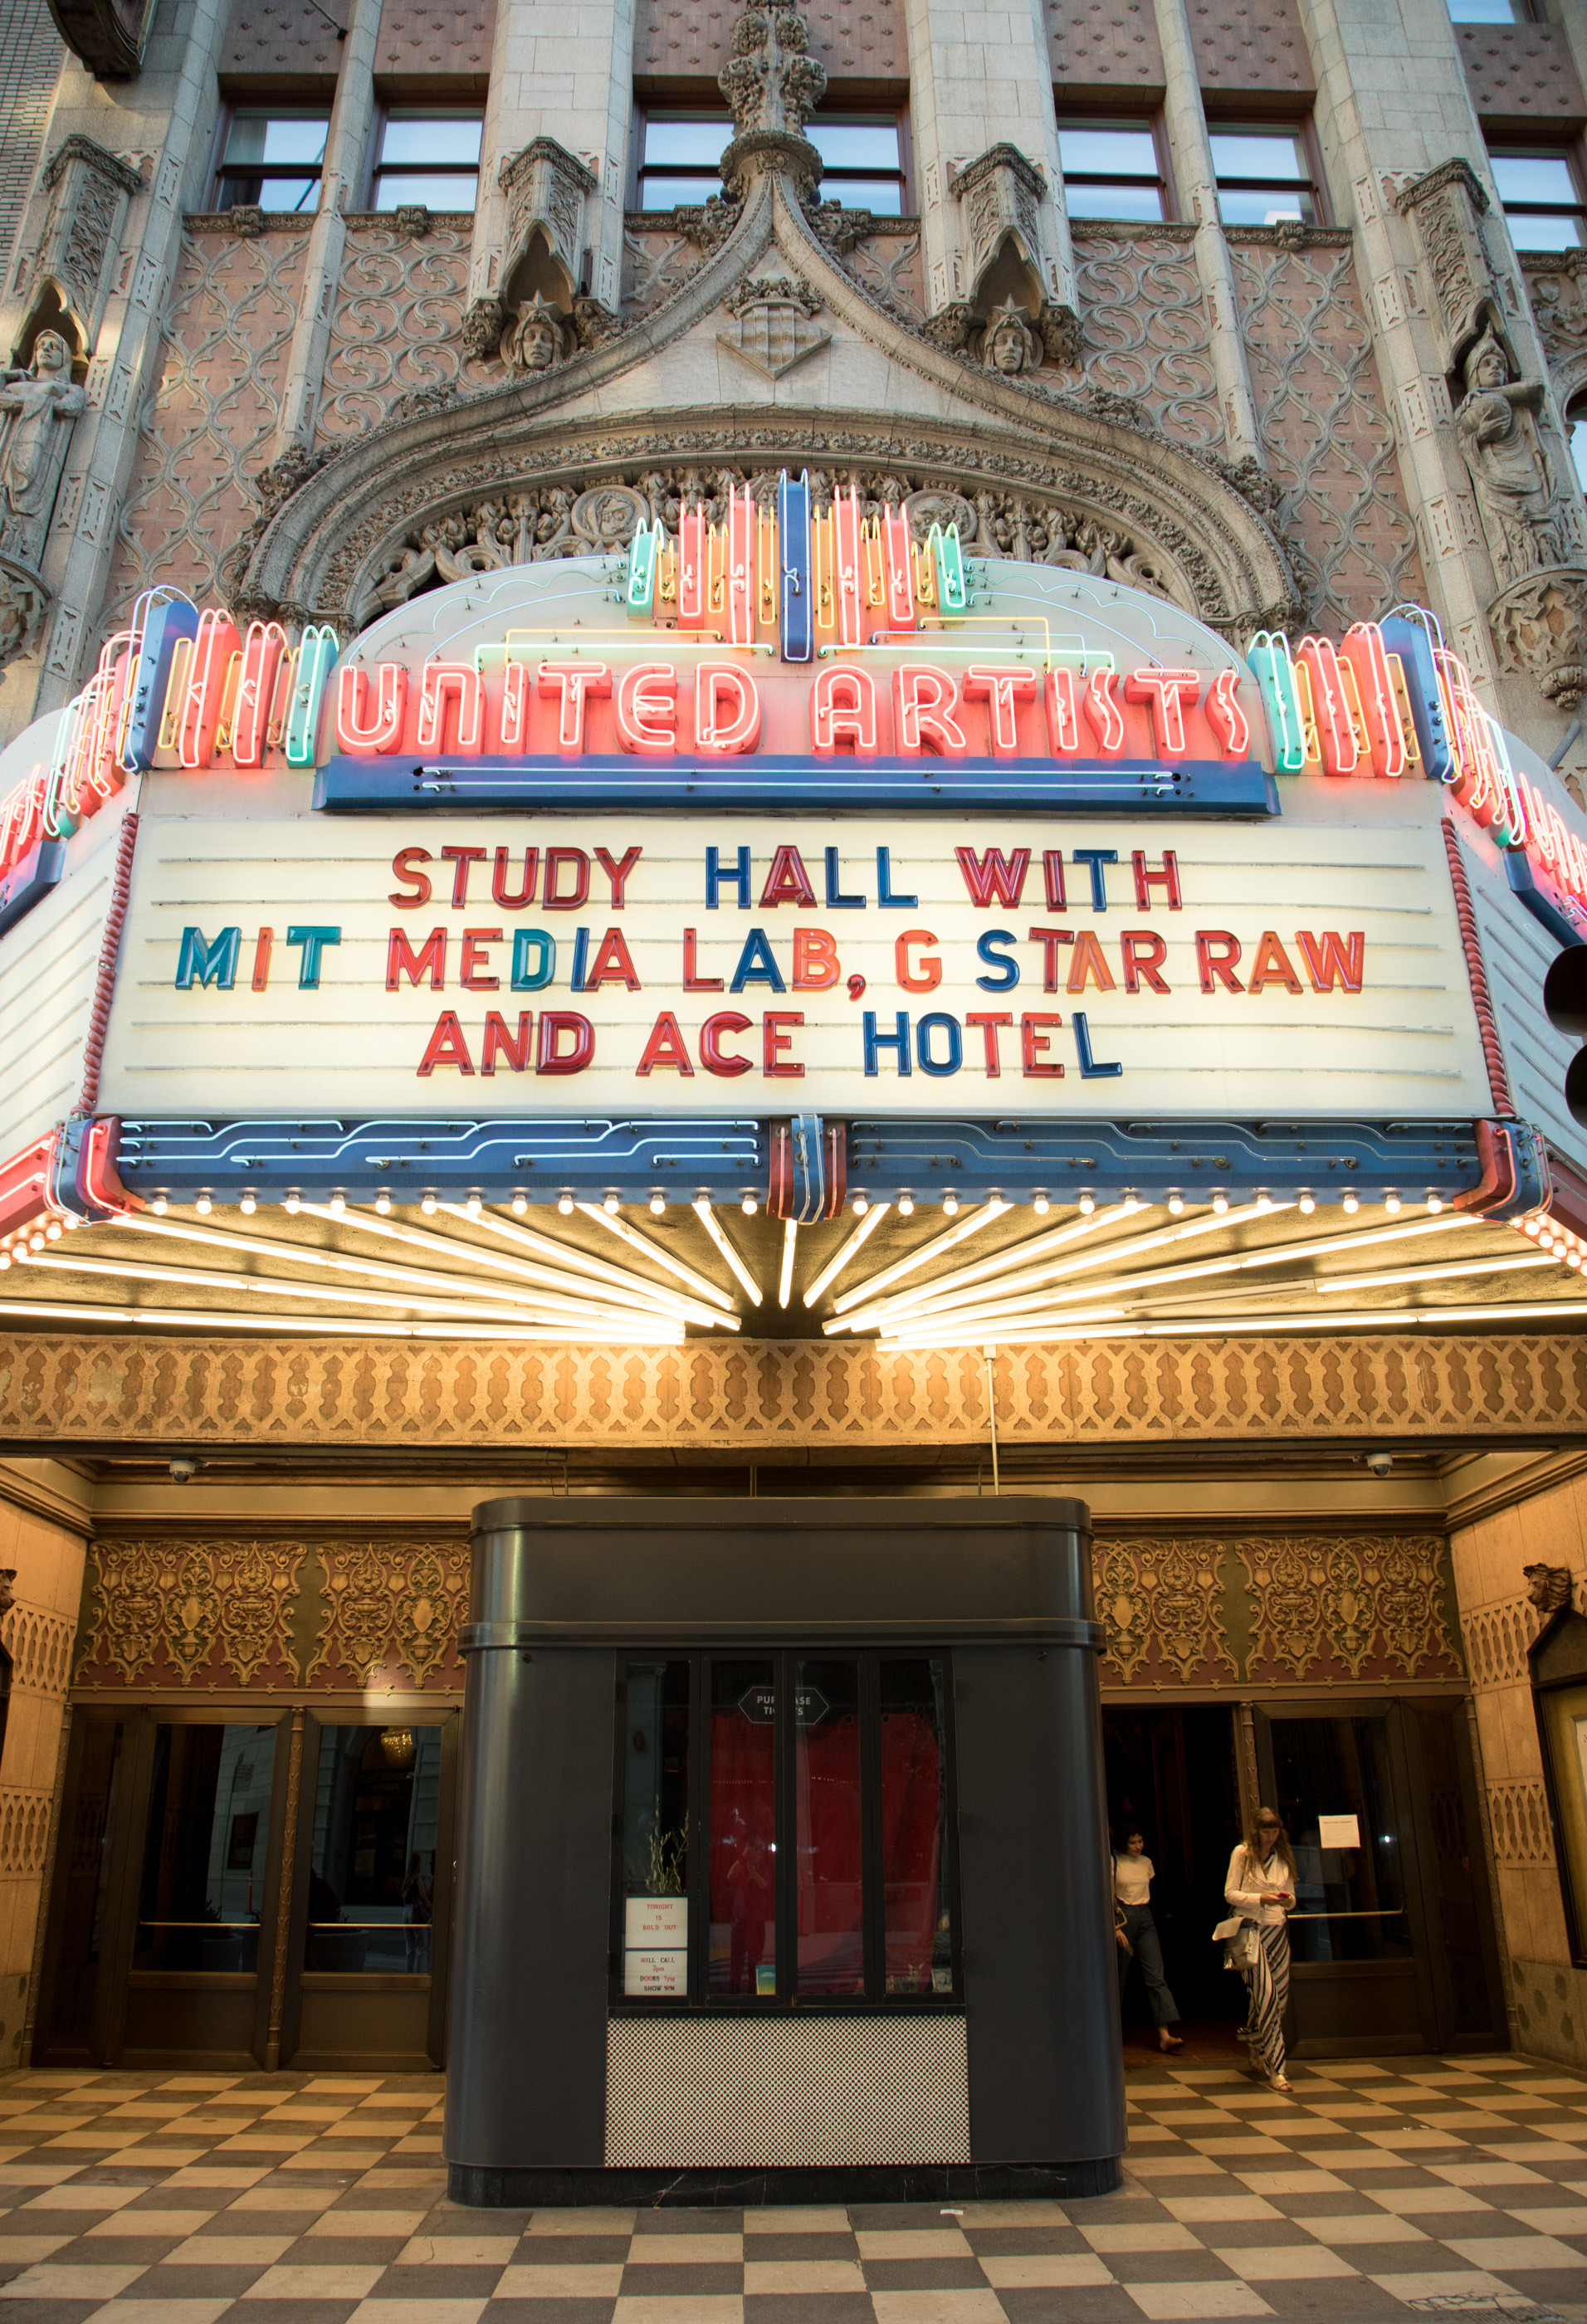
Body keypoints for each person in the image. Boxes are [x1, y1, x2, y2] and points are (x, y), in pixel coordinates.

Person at [1224, 1806, 1296, 2092]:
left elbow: (1291, 1899)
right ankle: (1277, 2068)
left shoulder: (1283, 1858)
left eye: (1274, 1830)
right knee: (1265, 1996)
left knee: (1279, 1999)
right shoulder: (1242, 1854)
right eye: (1265, 1830)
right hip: (1251, 1931)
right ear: (1256, 1831)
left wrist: (1284, 1899)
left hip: (1277, 1931)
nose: (1270, 1835)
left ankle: (1254, 2041)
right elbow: (1230, 1893)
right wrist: (1260, 1898)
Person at [1113, 1827, 1184, 2053]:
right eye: (1133, 1842)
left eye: (1141, 1841)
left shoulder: (1146, 1862)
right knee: (1118, 1977)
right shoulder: (1114, 1861)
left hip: (1144, 1915)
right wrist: (1114, 1926)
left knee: (1156, 1975)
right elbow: (1109, 1893)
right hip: (1122, 1914)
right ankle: (1111, 2036)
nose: (1138, 1846)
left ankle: (1165, 2034)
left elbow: (1153, 1889)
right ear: (1124, 1843)